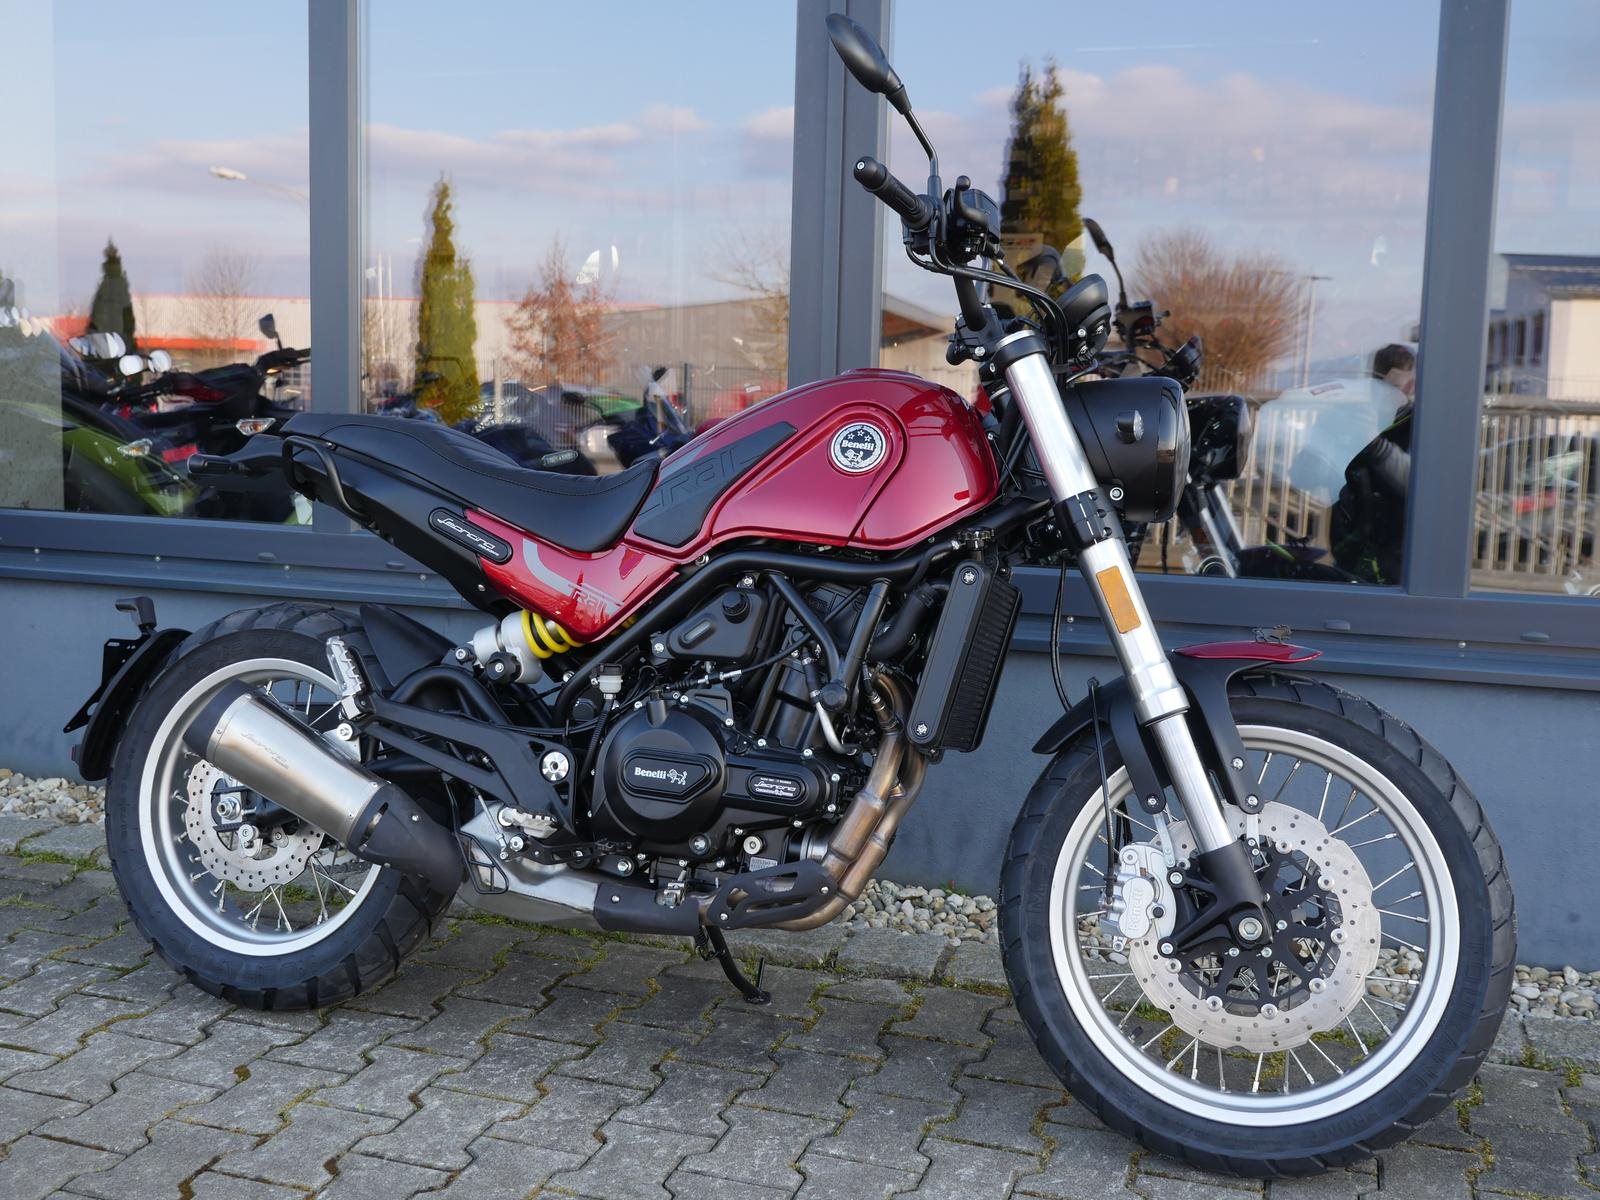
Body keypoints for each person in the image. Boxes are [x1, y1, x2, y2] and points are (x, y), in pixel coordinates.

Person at [1330, 344, 1417, 584]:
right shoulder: (1353, 417)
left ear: (1411, 386)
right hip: (1350, 550)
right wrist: (1327, 435)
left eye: (1394, 387)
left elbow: (1417, 483)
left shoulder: (1418, 423)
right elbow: (1306, 476)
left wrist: (1374, 444)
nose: (1383, 395)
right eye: (1377, 386)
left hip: (1395, 557)